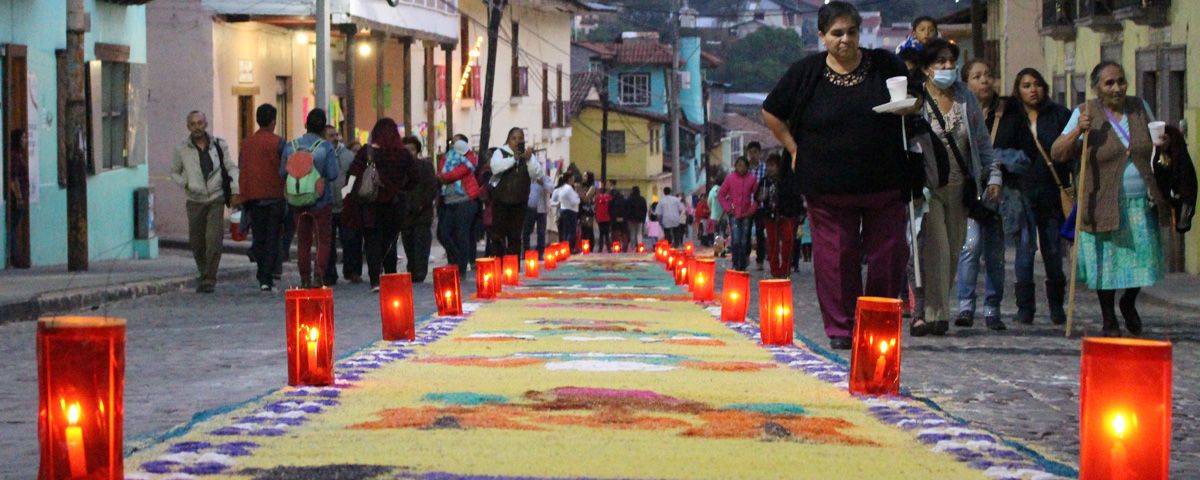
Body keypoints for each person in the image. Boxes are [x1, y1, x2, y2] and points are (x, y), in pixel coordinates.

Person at [761, 1, 918, 350]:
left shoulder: (884, 64)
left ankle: (876, 319)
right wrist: (793, 148)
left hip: (885, 179)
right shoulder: (806, 72)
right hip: (826, 185)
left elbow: (915, 97)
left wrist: (911, 105)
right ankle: (842, 328)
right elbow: (771, 112)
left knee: (888, 254)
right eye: (836, 33)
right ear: (822, 36)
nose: (845, 39)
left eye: (851, 32)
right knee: (836, 257)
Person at [1051, 61, 1170, 336]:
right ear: (1097, 88)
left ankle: (1128, 303)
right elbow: (1058, 152)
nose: (1117, 88)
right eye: (1109, 83)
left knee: (1142, 260)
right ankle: (1108, 317)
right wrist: (1077, 132)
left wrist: (1162, 144)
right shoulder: (1085, 112)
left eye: (1121, 81)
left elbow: (1153, 141)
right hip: (1101, 201)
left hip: (1139, 202)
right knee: (1105, 264)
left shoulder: (1139, 107)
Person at [914, 39, 1000, 336]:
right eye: (941, 62)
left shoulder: (965, 97)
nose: (949, 67)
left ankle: (934, 307)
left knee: (953, 251)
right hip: (930, 188)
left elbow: (980, 141)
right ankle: (935, 315)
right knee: (936, 249)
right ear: (927, 69)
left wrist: (993, 175)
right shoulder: (918, 100)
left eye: (951, 61)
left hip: (961, 187)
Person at [993, 67, 1073, 327]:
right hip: (1020, 191)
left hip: (1050, 190)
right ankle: (1025, 308)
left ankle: (1057, 308)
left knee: (1052, 251)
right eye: (1026, 85)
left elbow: (1070, 149)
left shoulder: (1059, 115)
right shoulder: (1009, 115)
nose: (1033, 89)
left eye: (1037, 84)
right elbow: (999, 149)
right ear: (1018, 89)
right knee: (1025, 251)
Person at [953, 59, 1009, 331]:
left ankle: (993, 308)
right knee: (971, 246)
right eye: (977, 76)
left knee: (995, 254)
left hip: (997, 193)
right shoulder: (959, 109)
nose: (985, 80)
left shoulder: (1007, 111)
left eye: (988, 74)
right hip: (971, 191)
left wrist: (997, 175)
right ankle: (965, 305)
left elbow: (993, 152)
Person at [171, 111, 239, 293]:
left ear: (206, 124)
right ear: (188, 127)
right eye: (193, 124)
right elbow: (174, 172)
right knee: (197, 241)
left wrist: (235, 190)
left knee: (213, 239)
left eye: (200, 123)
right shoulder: (182, 149)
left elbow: (230, 167)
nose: (197, 127)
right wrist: (186, 183)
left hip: (216, 197)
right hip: (195, 200)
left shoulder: (218, 145)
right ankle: (204, 271)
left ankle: (210, 278)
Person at [342, 119, 413, 290]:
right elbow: (415, 177)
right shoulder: (403, 155)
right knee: (390, 242)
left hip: (370, 204)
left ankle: (375, 280)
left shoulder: (367, 153)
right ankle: (390, 277)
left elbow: (352, 174)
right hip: (394, 205)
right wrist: (400, 188)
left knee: (372, 242)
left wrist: (348, 194)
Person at [280, 109, 338, 289]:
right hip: (321, 201)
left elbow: (282, 172)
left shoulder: (291, 146)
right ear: (323, 128)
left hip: (297, 199)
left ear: (306, 124)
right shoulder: (325, 147)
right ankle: (318, 275)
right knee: (323, 240)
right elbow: (333, 174)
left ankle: (304, 277)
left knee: (303, 239)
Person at [238, 105, 287, 291]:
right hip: (274, 196)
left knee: (259, 237)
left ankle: (262, 273)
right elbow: (284, 169)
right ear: (273, 121)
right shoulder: (279, 143)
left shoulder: (247, 143)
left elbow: (242, 167)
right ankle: (266, 276)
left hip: (253, 197)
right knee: (273, 236)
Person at [489, 127, 543, 255]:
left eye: (520, 139)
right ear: (508, 139)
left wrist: (529, 159)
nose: (516, 141)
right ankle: (499, 263)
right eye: (514, 138)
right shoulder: (500, 152)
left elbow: (537, 174)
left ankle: (513, 267)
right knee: (498, 235)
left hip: (520, 203)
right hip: (501, 202)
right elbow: (495, 167)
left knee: (515, 236)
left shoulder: (528, 156)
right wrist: (514, 159)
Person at [323, 124, 362, 286]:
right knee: (328, 242)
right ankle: (329, 274)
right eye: (330, 135)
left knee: (350, 240)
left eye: (335, 135)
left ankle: (352, 271)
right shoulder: (321, 154)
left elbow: (354, 177)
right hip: (327, 204)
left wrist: (347, 193)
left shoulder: (347, 156)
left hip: (346, 204)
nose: (334, 138)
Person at [438, 134, 480, 275]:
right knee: (443, 233)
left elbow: (456, 173)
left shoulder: (470, 157)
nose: (453, 144)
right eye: (451, 142)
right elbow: (441, 172)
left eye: (456, 142)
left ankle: (461, 267)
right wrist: (443, 176)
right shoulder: (446, 157)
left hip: (465, 201)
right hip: (449, 201)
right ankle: (458, 258)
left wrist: (445, 177)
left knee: (462, 234)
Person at [400, 136, 438, 282]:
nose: (409, 152)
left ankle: (420, 272)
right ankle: (412, 268)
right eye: (406, 150)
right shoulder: (399, 168)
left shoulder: (425, 166)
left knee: (421, 243)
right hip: (406, 213)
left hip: (422, 212)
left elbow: (431, 187)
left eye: (412, 149)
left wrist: (423, 203)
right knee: (408, 243)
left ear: (417, 151)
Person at [757, 154, 795, 278]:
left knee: (787, 242)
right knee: (772, 243)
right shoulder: (764, 181)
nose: (769, 168)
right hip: (770, 215)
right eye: (768, 165)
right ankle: (775, 270)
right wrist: (760, 197)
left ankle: (785, 268)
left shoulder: (787, 179)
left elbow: (794, 195)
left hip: (787, 214)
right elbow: (757, 197)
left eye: (772, 165)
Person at [720, 156, 759, 271]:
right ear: (735, 166)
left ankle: (742, 263)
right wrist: (728, 208)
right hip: (733, 214)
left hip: (747, 214)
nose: (741, 168)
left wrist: (752, 210)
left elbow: (757, 197)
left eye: (744, 165)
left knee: (744, 240)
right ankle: (735, 262)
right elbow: (721, 194)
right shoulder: (730, 179)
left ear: (747, 167)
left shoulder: (752, 179)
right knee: (735, 239)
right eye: (739, 165)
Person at [6, 129, 29, 268]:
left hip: (21, 197)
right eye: (23, 138)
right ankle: (15, 257)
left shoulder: (19, 156)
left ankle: (16, 256)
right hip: (16, 199)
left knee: (14, 227)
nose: (25, 140)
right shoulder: (15, 157)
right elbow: (13, 178)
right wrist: (19, 197)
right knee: (13, 228)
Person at [744, 142, 768, 271]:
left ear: (760, 153)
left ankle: (760, 260)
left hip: (761, 205)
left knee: (760, 233)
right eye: (750, 152)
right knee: (746, 232)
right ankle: (746, 256)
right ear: (747, 153)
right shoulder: (744, 169)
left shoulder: (765, 168)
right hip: (747, 206)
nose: (753, 155)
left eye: (755, 152)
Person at [523, 161, 552, 258]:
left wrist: (543, 183)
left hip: (541, 210)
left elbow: (551, 189)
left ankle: (540, 253)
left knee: (541, 232)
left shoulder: (545, 178)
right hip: (529, 209)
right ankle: (526, 252)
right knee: (526, 231)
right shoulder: (528, 179)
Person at [550, 174, 581, 249]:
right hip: (570, 211)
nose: (574, 180)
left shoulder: (562, 188)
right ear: (569, 179)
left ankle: (564, 248)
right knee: (571, 232)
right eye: (573, 178)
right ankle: (568, 248)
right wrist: (578, 198)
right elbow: (574, 201)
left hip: (564, 210)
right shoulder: (568, 188)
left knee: (565, 232)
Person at [626, 186, 648, 250]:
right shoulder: (642, 199)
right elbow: (645, 209)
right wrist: (643, 219)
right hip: (640, 219)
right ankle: (639, 246)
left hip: (631, 219)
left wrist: (627, 218)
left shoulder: (629, 199)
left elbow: (627, 209)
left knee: (632, 233)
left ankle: (632, 247)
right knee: (639, 233)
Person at [610, 181, 629, 249]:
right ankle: (624, 247)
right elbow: (627, 209)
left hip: (615, 218)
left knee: (615, 232)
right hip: (623, 218)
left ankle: (616, 246)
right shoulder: (624, 200)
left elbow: (610, 209)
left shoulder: (612, 201)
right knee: (624, 232)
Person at [594, 185, 612, 251]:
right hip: (607, 217)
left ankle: (600, 249)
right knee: (607, 234)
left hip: (600, 218)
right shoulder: (609, 197)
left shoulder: (597, 198)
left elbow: (595, 207)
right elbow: (611, 206)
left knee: (601, 234)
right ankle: (609, 249)